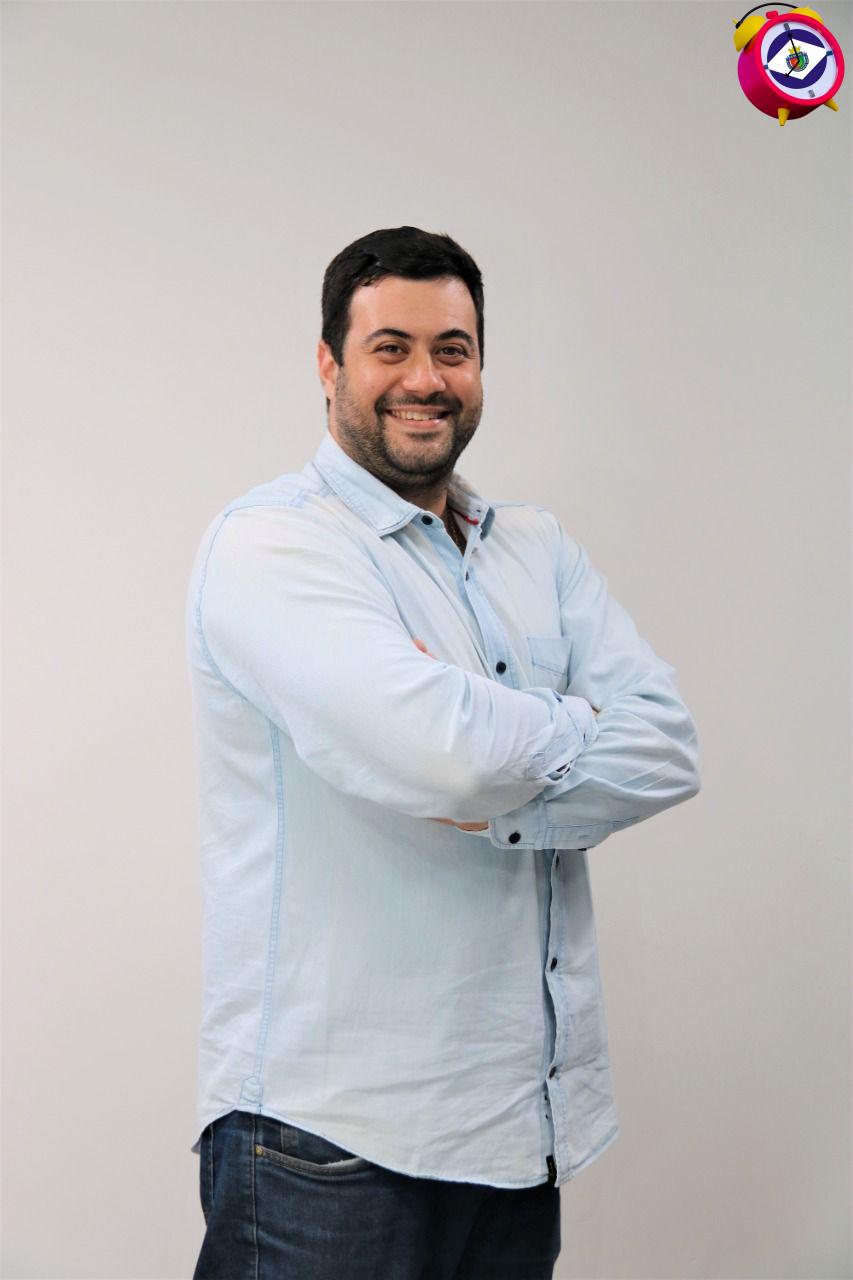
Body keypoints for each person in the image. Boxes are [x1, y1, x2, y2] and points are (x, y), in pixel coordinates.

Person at [185, 225, 701, 1279]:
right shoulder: (272, 544)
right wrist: (564, 726)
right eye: (390, 348)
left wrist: (494, 759)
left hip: (516, 1132)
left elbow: (665, 744)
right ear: (327, 363)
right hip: (326, 1143)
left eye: (452, 350)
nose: (425, 379)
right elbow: (446, 756)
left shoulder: (535, 547)